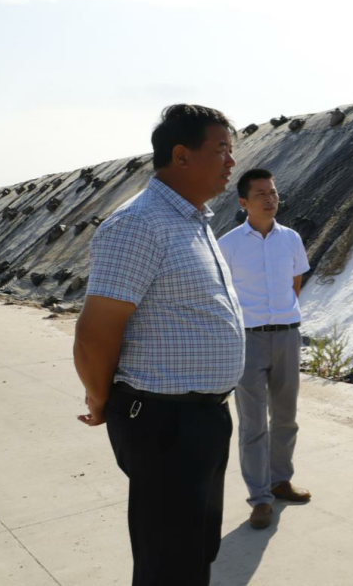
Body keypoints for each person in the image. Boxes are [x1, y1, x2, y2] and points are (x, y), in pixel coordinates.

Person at [73, 104, 245, 586]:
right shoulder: (138, 224)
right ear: (181, 156)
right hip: (164, 424)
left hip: (204, 418)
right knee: (168, 563)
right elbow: (95, 332)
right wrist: (100, 398)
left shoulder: (193, 222)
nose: (231, 161)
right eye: (221, 149)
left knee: (197, 552)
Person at [217, 168, 312, 530]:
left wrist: (282, 318)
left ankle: (280, 481)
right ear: (244, 202)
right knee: (253, 424)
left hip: (287, 335)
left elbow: (295, 284)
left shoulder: (290, 238)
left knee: (286, 417)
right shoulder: (228, 245)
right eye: (261, 194)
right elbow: (222, 293)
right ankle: (259, 498)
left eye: (273, 192)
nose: (270, 199)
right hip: (249, 339)